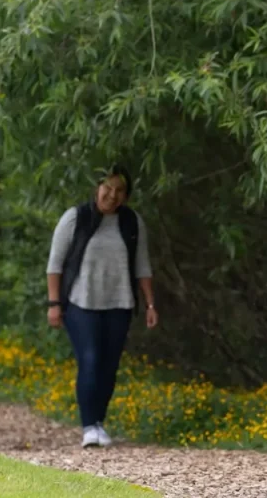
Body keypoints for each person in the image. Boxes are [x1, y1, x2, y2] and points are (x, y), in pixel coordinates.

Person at [45, 165, 158, 448]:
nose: (112, 195)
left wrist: (150, 304)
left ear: (126, 196)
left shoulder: (132, 222)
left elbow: (143, 266)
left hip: (119, 303)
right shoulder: (76, 218)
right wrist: (54, 303)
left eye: (120, 190)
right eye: (107, 187)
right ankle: (88, 425)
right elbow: (55, 265)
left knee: (109, 366)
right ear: (97, 188)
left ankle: (98, 422)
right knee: (90, 359)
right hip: (81, 302)